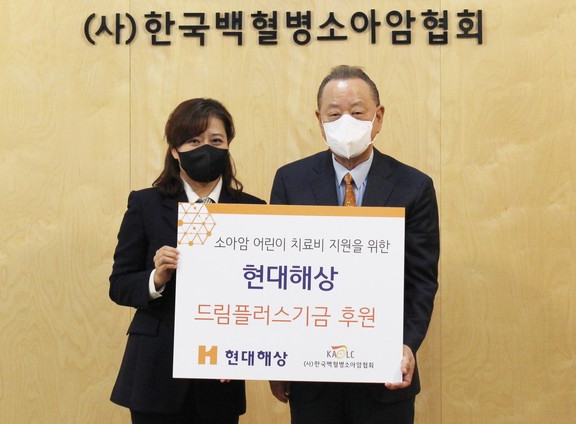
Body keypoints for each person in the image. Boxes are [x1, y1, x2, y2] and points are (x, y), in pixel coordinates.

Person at [269, 65, 440, 423]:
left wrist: (408, 344)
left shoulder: (414, 186)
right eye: (334, 114)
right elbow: (279, 277)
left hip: (385, 373)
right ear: (319, 121)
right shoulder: (290, 181)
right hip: (310, 374)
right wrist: (277, 356)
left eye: (358, 112)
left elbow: (421, 280)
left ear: (378, 117)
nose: (346, 122)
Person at [109, 98, 266, 424]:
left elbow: (263, 291)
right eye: (194, 141)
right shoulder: (146, 204)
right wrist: (156, 278)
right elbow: (119, 285)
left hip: (220, 374)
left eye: (216, 140)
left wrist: (243, 347)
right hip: (156, 371)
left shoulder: (253, 209)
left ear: (228, 145)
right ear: (175, 150)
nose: (205, 148)